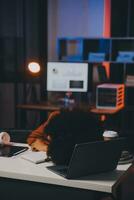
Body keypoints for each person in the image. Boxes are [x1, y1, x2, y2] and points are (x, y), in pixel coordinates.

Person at [27, 107, 104, 165]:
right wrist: (47, 148)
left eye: (50, 136)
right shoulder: (55, 117)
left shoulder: (85, 128)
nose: (48, 138)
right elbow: (33, 137)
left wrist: (52, 149)